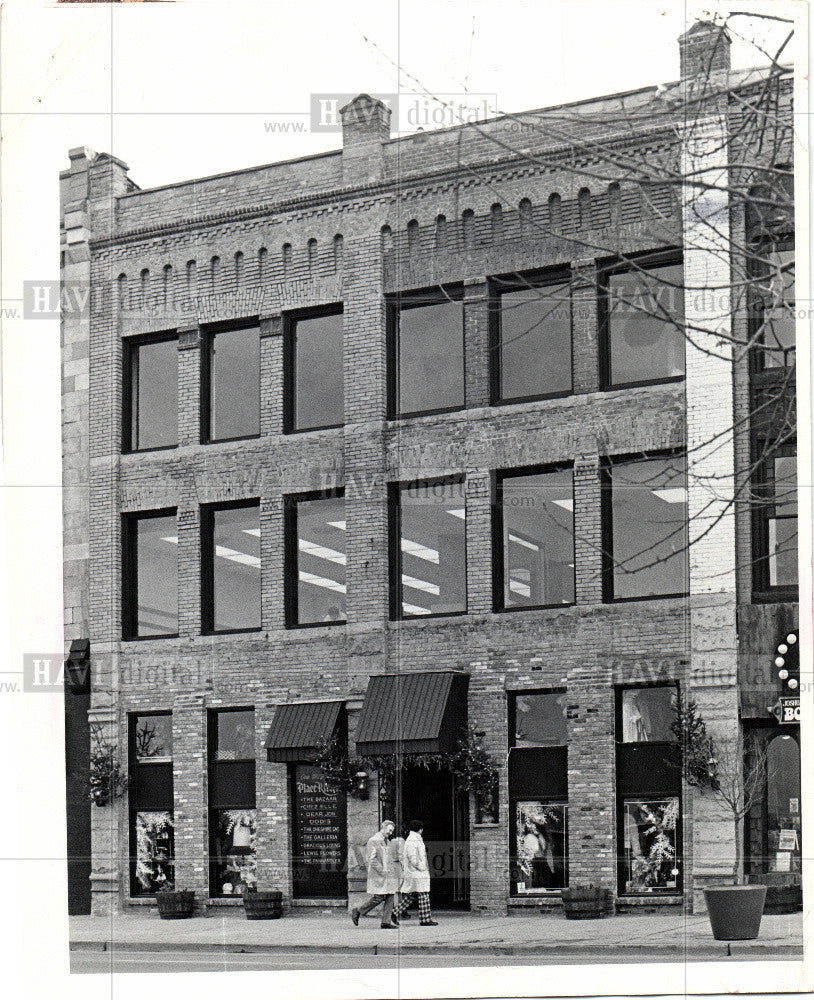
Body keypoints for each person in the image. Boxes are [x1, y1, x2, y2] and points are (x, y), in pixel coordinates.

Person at [350, 820, 398, 929]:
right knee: (379, 897)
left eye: (392, 831)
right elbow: (371, 859)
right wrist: (382, 870)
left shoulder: (387, 841)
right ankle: (358, 911)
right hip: (379, 874)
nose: (390, 833)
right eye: (389, 830)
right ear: (383, 827)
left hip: (388, 874)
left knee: (391, 895)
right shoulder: (373, 840)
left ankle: (386, 922)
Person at [391, 819, 437, 926]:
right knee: (423, 894)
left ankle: (394, 912)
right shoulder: (413, 840)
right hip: (416, 873)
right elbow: (413, 858)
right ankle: (425, 919)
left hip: (415, 872)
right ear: (420, 829)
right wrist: (422, 867)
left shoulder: (414, 839)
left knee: (412, 896)